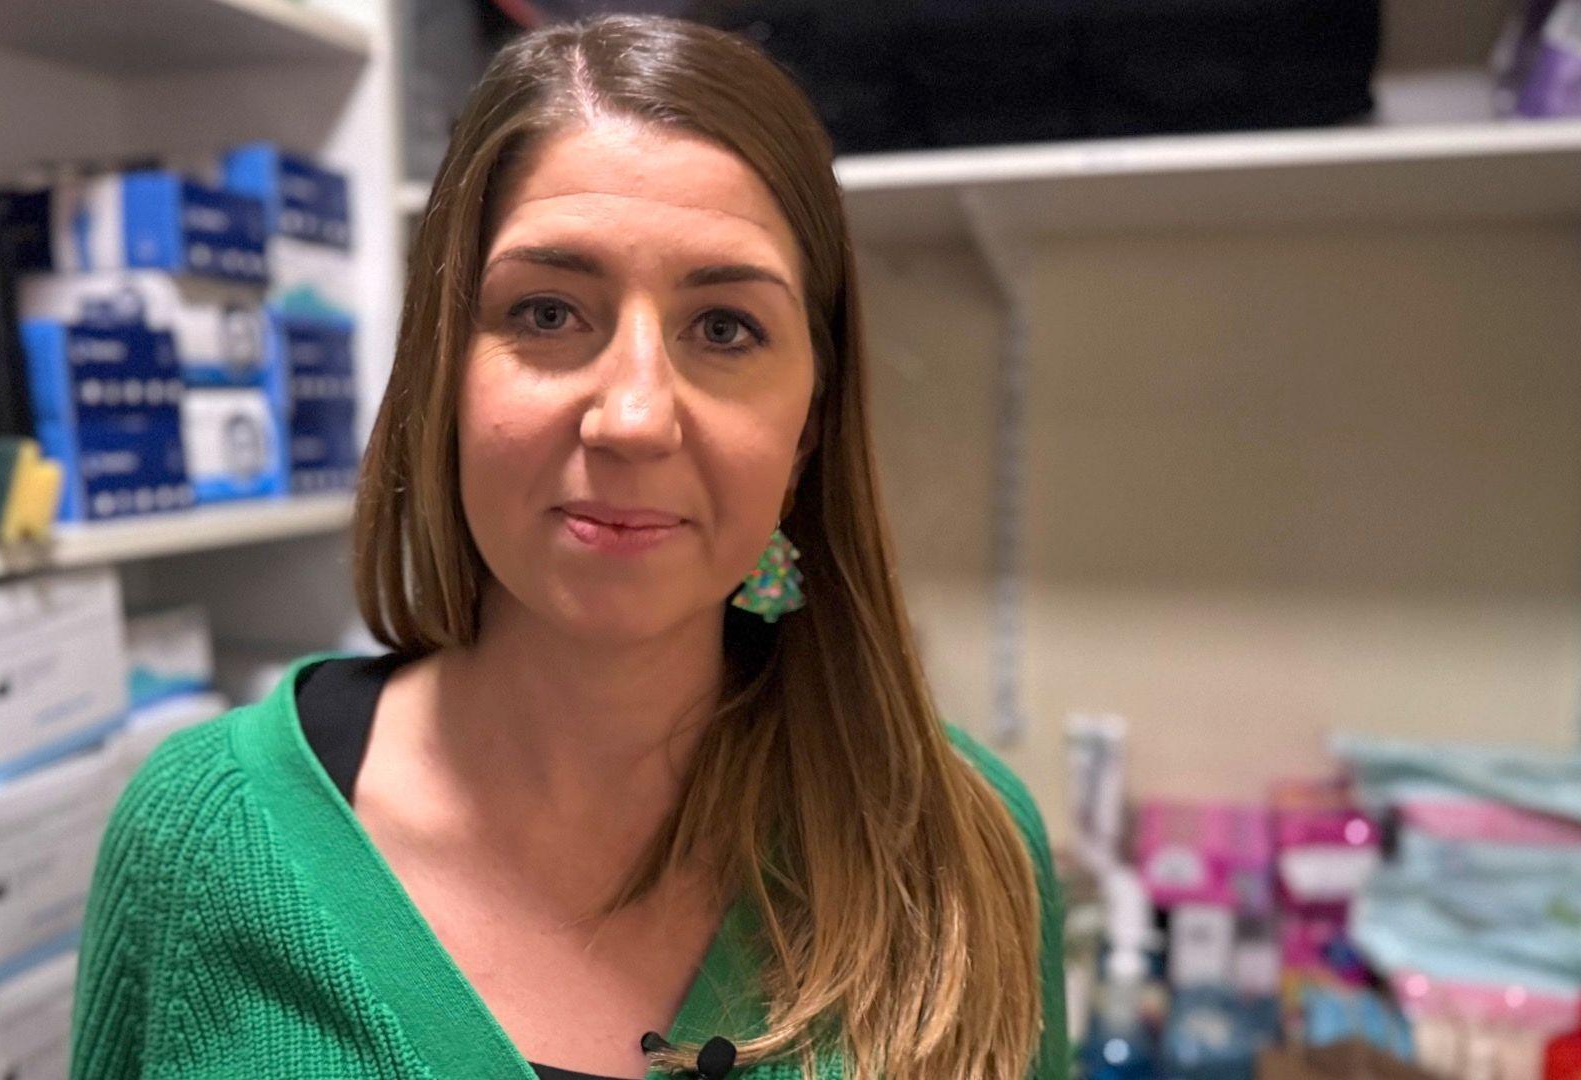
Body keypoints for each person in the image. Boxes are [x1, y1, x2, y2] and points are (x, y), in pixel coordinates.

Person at [73, 15, 1066, 1080]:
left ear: (810, 420)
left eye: (725, 328)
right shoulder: (201, 838)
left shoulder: (962, 850)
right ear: (442, 374)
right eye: (547, 312)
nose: (633, 417)